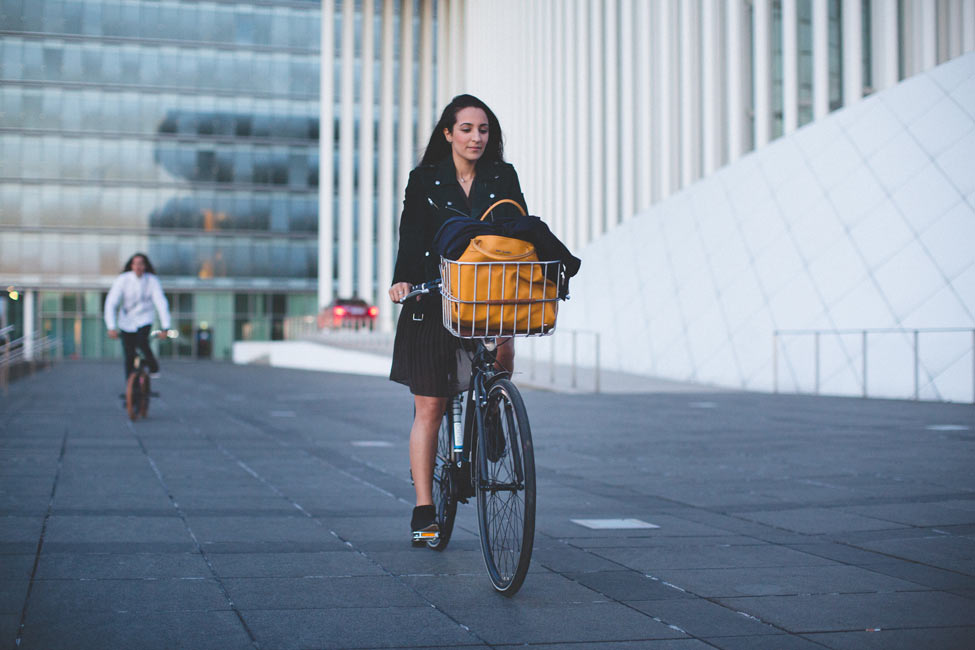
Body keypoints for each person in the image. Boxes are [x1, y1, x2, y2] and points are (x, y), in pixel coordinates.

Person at [388, 94, 526, 544]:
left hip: (485, 292)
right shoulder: (425, 179)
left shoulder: (502, 176)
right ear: (448, 133)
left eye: (483, 130)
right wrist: (403, 280)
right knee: (430, 405)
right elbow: (411, 233)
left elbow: (518, 228)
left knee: (504, 348)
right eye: (466, 129)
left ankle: (492, 408)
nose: (476, 138)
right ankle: (424, 508)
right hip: (435, 294)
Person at [104, 253, 171, 380]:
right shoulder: (123, 279)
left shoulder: (152, 280)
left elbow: (161, 303)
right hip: (126, 321)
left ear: (145, 266)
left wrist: (165, 327)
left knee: (142, 342)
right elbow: (111, 302)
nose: (138, 267)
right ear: (131, 266)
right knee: (129, 355)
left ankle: (153, 366)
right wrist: (111, 327)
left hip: (145, 318)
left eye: (141, 264)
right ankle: (130, 386)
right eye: (135, 264)